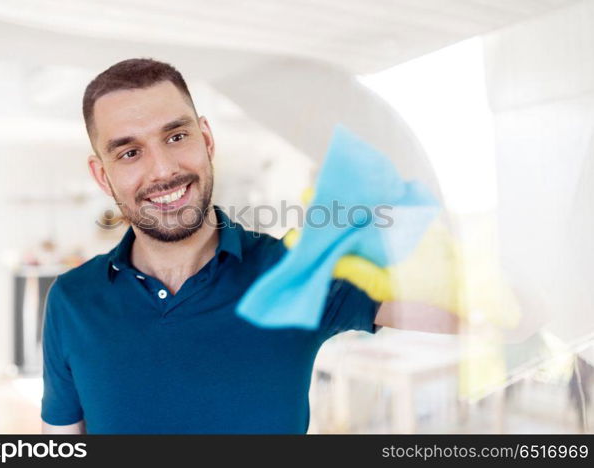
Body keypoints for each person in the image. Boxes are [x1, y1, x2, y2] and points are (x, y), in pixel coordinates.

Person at [40, 58, 457, 434]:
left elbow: (470, 313)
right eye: (130, 152)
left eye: (176, 136)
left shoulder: (292, 271)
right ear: (102, 175)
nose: (163, 170)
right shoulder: (72, 299)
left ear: (206, 139)